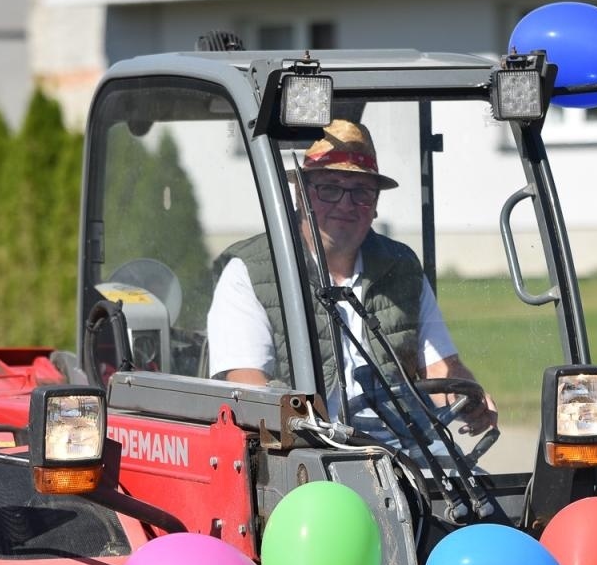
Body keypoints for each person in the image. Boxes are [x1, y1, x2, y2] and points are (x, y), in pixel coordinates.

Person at [206, 119, 497, 445]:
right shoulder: (250, 271)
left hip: (403, 451)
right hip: (306, 455)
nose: (345, 204)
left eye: (361, 192)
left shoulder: (402, 267)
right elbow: (247, 386)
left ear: (375, 204)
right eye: (330, 188)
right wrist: (316, 437)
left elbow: (441, 368)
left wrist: (468, 397)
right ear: (301, 195)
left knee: (474, 477)